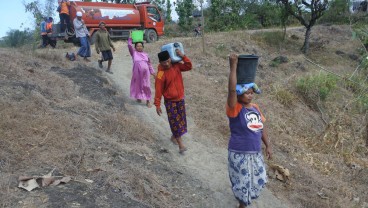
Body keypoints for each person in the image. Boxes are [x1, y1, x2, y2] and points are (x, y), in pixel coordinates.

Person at [226, 53, 272, 208]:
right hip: (239, 153)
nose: (250, 95)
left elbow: (261, 127)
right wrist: (233, 66)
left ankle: (243, 201)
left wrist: (268, 145)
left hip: (255, 153)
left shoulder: (255, 108)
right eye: (247, 92)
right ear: (239, 93)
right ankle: (242, 205)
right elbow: (231, 91)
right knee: (242, 183)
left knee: (258, 179)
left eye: (252, 92)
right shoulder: (235, 108)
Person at [154, 50, 192, 154]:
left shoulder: (176, 66)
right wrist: (157, 104)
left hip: (180, 99)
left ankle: (173, 137)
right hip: (170, 102)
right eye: (163, 62)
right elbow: (158, 90)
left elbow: (189, 66)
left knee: (181, 121)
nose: (166, 64)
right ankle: (181, 145)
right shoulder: (161, 74)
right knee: (175, 122)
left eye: (167, 61)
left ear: (170, 59)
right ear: (160, 62)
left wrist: (183, 56)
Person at [128, 32, 156, 107]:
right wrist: (130, 37)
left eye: (141, 46)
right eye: (138, 46)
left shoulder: (146, 55)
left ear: (143, 47)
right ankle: (139, 97)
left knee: (146, 86)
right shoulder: (134, 53)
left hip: (145, 73)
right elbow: (129, 46)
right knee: (137, 85)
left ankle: (148, 101)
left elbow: (149, 64)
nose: (139, 47)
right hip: (137, 72)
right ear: (135, 47)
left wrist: (153, 73)